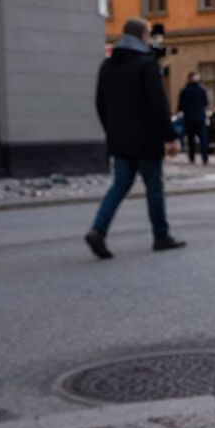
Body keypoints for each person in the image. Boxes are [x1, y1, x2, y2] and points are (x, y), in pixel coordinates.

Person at [85, 17, 186, 259]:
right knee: (154, 186)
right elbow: (158, 105)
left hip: (119, 140)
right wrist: (170, 137)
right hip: (146, 140)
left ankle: (98, 230)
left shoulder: (107, 65)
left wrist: (112, 130)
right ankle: (161, 236)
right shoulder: (146, 64)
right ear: (142, 37)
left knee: (120, 185)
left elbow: (100, 103)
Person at [177, 71, 210, 165]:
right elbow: (206, 103)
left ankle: (192, 157)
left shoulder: (184, 90)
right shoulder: (201, 90)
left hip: (189, 117)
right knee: (203, 138)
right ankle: (205, 157)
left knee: (191, 139)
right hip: (200, 116)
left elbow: (180, 105)